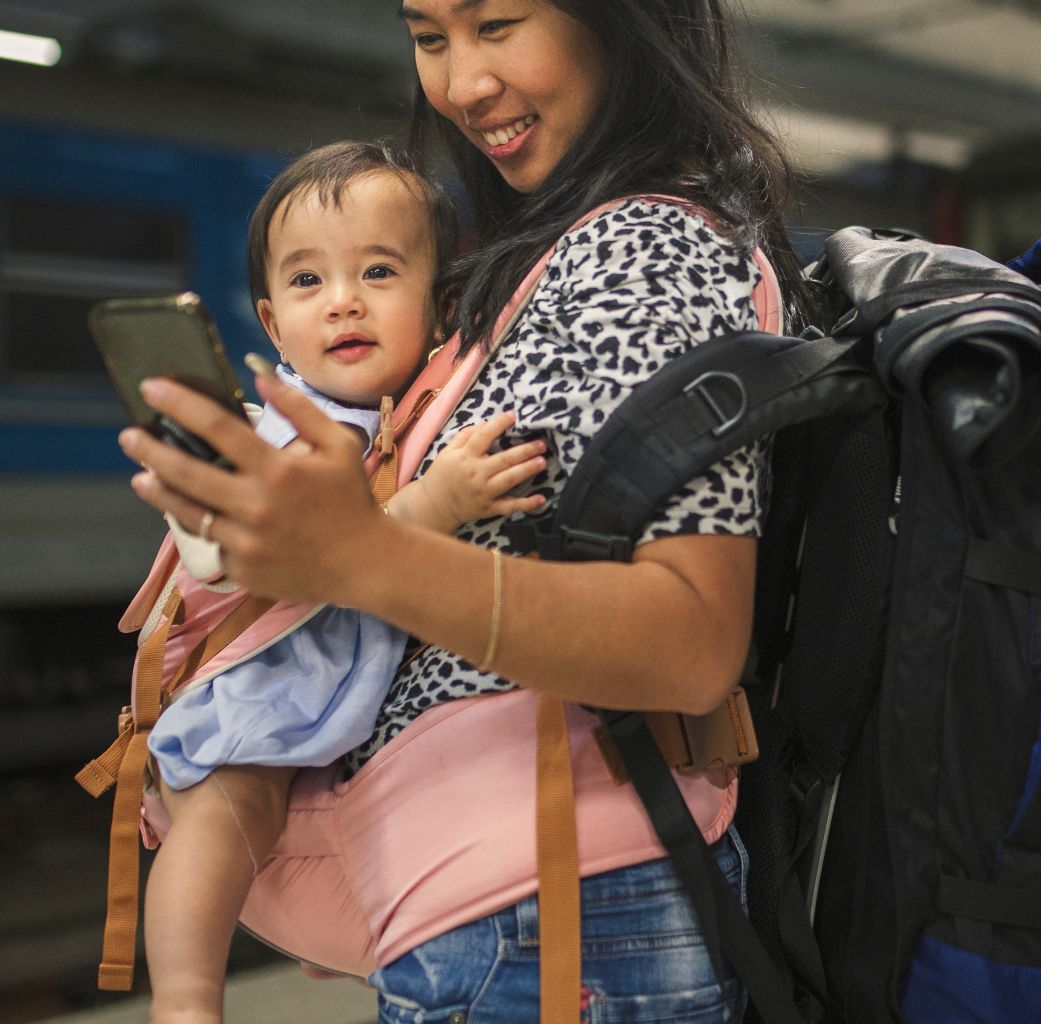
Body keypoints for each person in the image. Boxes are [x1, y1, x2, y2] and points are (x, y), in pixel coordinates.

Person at [120, 2, 814, 1021]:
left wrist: (355, 553)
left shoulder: (646, 248)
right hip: (505, 912)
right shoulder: (546, 254)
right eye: (430, 35)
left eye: (495, 23)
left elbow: (690, 639)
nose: (460, 83)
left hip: (557, 910)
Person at [141, 140, 548, 1023]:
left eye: (377, 270)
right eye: (306, 283)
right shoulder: (287, 427)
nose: (343, 302)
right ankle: (182, 1004)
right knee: (219, 824)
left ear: (443, 305)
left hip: (338, 710)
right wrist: (439, 499)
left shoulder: (419, 407)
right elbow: (344, 552)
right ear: (271, 320)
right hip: (257, 696)